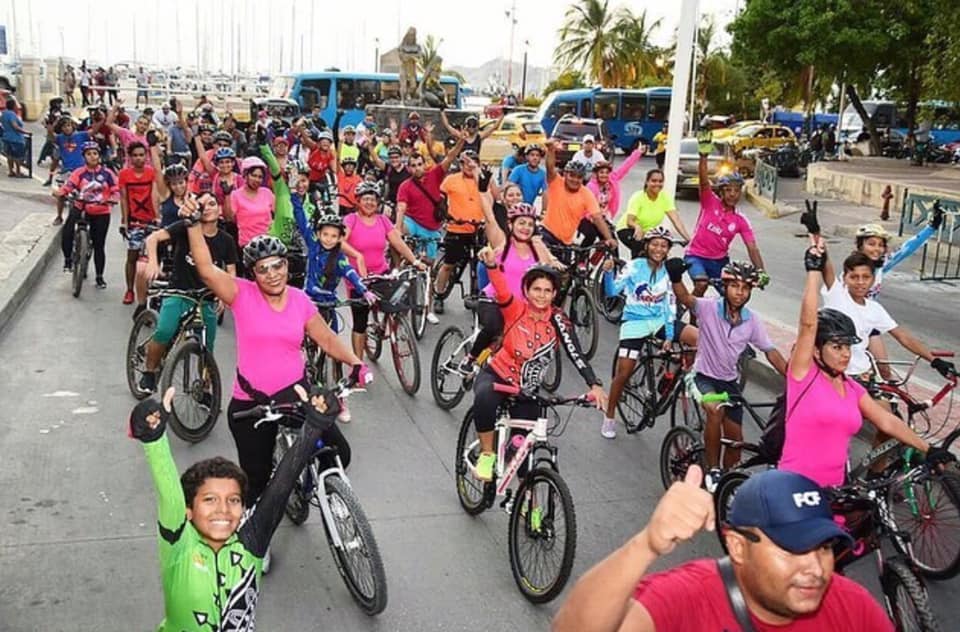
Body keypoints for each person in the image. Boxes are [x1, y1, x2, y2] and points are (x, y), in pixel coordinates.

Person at [182, 201, 366, 520]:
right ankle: (255, 532)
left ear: (286, 265)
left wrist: (356, 363)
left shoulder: (300, 300)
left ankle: (327, 490)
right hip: (252, 404)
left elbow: (326, 338)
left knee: (339, 452)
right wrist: (193, 226)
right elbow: (206, 269)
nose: (272, 274)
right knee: (257, 482)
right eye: (263, 269)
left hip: (297, 394)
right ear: (252, 274)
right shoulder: (241, 294)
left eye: (277, 265)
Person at [553, 467, 895, 632]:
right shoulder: (687, 598)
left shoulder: (852, 606)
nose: (817, 570)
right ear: (737, 546)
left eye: (824, 548)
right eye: (793, 550)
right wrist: (646, 545)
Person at [129, 380, 348, 629]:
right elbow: (169, 495)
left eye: (233, 500)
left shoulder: (249, 546)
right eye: (210, 499)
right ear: (188, 511)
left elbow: (281, 487)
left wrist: (313, 428)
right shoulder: (178, 545)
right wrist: (154, 441)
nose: (223, 509)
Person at [776, 245, 949, 488]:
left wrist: (929, 449)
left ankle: (875, 476)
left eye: (848, 346)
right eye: (837, 347)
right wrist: (813, 271)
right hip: (795, 486)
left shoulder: (852, 389)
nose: (845, 354)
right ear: (816, 350)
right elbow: (808, 325)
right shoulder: (803, 375)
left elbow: (887, 422)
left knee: (887, 420)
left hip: (835, 489)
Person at [471, 248, 608, 480]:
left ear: (554, 294)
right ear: (526, 290)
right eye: (536, 289)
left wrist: (594, 384)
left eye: (547, 291)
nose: (541, 296)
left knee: (523, 455)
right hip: (497, 377)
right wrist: (492, 265)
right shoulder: (515, 309)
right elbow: (501, 287)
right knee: (484, 398)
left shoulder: (558, 320)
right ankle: (486, 454)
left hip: (527, 389)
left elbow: (575, 352)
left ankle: (525, 495)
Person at [666, 257, 787, 489]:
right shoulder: (709, 307)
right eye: (734, 286)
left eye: (745, 288)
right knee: (715, 409)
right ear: (725, 286)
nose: (739, 293)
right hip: (702, 377)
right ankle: (713, 470)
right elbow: (686, 298)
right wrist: (675, 277)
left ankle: (725, 485)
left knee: (735, 441)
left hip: (729, 382)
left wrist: (794, 378)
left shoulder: (752, 320)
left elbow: (770, 352)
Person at [602, 228, 698, 439]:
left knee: (698, 338)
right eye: (654, 244)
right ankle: (609, 415)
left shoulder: (669, 271)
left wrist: (670, 336)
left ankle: (678, 375)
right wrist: (608, 273)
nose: (658, 249)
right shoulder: (633, 266)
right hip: (634, 322)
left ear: (668, 249)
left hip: (659, 321)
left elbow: (670, 305)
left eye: (663, 245)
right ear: (646, 246)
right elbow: (611, 292)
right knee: (624, 372)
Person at [138, 192, 237, 393]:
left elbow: (231, 272)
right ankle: (149, 372)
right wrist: (153, 262)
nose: (207, 208)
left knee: (207, 347)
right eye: (202, 205)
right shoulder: (185, 227)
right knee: (164, 332)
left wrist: (223, 295)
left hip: (206, 298)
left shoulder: (226, 240)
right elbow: (153, 238)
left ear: (219, 210)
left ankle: (205, 389)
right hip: (179, 291)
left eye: (212, 203)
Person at [459, 189, 559, 376]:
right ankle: (471, 357)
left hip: (520, 306)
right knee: (494, 327)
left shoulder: (537, 248)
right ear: (511, 224)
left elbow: (548, 272)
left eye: (530, 224)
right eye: (521, 223)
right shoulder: (502, 243)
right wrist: (482, 189)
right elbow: (489, 218)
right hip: (493, 300)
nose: (525, 228)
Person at [344, 182, 426, 360]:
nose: (369, 203)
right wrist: (357, 256)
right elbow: (340, 241)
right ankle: (358, 366)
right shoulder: (351, 220)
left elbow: (397, 242)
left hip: (381, 272)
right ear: (358, 201)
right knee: (360, 322)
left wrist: (414, 260)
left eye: (373, 199)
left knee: (398, 298)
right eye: (365, 199)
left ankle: (390, 325)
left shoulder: (382, 220)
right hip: (358, 277)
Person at [686, 132, 769, 297]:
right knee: (701, 284)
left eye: (736, 191)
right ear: (721, 192)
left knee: (731, 295)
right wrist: (703, 156)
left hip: (719, 261)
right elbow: (703, 181)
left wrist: (761, 271)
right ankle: (690, 309)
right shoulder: (710, 202)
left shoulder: (741, 220)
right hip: (695, 256)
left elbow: (752, 248)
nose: (733, 194)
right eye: (728, 190)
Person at [396, 134, 466, 323]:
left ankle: (428, 309)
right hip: (412, 223)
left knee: (428, 271)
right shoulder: (405, 186)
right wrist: (397, 229)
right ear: (409, 168)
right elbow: (401, 208)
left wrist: (461, 140)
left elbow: (450, 156)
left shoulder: (434, 175)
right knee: (397, 233)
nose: (417, 168)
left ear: (424, 164)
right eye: (413, 165)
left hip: (432, 229)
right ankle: (398, 266)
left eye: (419, 164)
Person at [53, 141, 119, 287]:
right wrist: (60, 192)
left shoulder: (108, 173)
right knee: (67, 230)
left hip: (101, 210)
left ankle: (99, 277)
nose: (92, 156)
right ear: (84, 157)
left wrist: (113, 199)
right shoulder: (79, 172)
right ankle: (68, 260)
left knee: (99, 245)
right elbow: (69, 185)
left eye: (95, 153)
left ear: (99, 155)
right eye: (89, 154)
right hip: (81, 206)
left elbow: (116, 189)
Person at [433, 150, 489, 314]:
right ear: (461, 164)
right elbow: (440, 200)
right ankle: (439, 295)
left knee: (481, 266)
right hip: (456, 228)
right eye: (466, 163)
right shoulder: (451, 180)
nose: (470, 166)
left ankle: (479, 296)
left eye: (473, 162)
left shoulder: (482, 180)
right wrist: (445, 216)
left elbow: (493, 198)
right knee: (448, 265)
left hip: (477, 230)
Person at [539, 141, 617, 251]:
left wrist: (609, 238)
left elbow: (597, 217)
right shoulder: (557, 183)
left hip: (566, 242)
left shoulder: (586, 194)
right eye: (572, 175)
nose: (575, 180)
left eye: (579, 177)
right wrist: (551, 150)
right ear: (565, 174)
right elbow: (550, 168)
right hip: (547, 234)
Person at [615, 168, 691, 257]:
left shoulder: (665, 198)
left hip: (646, 233)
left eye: (660, 181)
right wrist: (637, 227)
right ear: (647, 182)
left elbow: (676, 221)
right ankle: (636, 264)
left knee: (660, 252)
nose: (657, 184)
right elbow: (629, 221)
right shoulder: (638, 197)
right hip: (627, 229)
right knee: (641, 248)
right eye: (654, 181)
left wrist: (689, 239)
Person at [117, 141, 157, 305]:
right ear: (130, 157)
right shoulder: (124, 175)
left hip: (152, 220)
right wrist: (125, 221)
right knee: (132, 255)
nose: (138, 158)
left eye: (141, 155)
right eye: (135, 155)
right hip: (135, 221)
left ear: (146, 156)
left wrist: (158, 217)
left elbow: (156, 196)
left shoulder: (152, 173)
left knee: (155, 255)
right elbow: (123, 199)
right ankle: (129, 289)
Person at [223, 157, 275, 251]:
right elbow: (228, 218)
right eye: (253, 175)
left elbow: (278, 213)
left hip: (268, 242)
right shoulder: (236, 195)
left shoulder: (267, 192)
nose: (257, 179)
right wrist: (227, 195)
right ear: (245, 175)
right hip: (248, 245)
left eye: (260, 177)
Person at [587, 144, 645, 223]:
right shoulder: (590, 187)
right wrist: (591, 218)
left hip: (606, 218)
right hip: (591, 219)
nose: (604, 175)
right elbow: (585, 206)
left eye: (607, 173)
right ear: (596, 174)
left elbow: (626, 166)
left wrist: (637, 153)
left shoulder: (612, 180)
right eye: (601, 172)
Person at [50, 117, 92, 225]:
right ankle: (59, 216)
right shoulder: (60, 138)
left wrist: (100, 119)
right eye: (64, 126)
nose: (67, 128)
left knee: (84, 195)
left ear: (73, 126)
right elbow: (51, 136)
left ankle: (86, 216)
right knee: (61, 195)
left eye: (68, 125)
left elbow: (94, 130)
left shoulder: (81, 135)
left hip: (80, 172)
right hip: (66, 172)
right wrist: (51, 125)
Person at [1, 98, 28, 178]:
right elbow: (15, 126)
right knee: (18, 156)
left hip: (6, 137)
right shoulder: (12, 114)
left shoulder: (4, 114)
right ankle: (18, 172)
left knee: (9, 155)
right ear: (13, 106)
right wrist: (25, 132)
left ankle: (11, 171)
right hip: (15, 138)